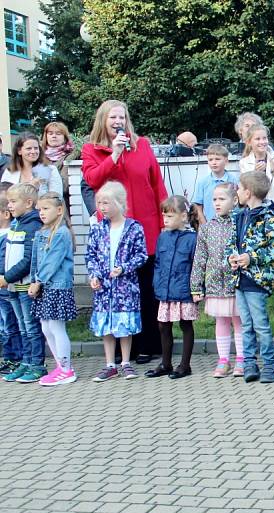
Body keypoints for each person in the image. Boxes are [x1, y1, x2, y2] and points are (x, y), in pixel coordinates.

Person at [82, 99, 168, 363]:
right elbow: (93, 180)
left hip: (146, 227)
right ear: (103, 121)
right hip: (114, 234)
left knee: (144, 289)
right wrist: (115, 155)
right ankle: (120, 350)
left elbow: (157, 185)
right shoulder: (91, 150)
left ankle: (147, 345)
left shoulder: (142, 145)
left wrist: (164, 221)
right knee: (117, 291)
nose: (118, 122)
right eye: (112, 118)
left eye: (121, 117)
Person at [86, 181, 148, 382]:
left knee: (124, 324)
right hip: (104, 288)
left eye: (106, 203)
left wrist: (124, 268)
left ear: (119, 203)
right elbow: (91, 255)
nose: (102, 207)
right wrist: (94, 275)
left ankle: (126, 362)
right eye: (100, 203)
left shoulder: (133, 227)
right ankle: (109, 364)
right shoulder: (97, 229)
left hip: (125, 287)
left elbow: (142, 255)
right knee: (107, 325)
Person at [227, 171, 274, 384]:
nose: (237, 193)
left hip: (257, 280)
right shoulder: (239, 216)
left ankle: (270, 365)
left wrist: (252, 258)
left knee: (260, 324)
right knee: (246, 324)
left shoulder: (268, 217)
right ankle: (250, 363)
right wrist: (231, 257)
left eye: (239, 189)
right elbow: (232, 243)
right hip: (240, 279)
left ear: (248, 192)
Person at [191, 183, 245, 378]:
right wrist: (196, 286)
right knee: (221, 321)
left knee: (238, 321)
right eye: (214, 199)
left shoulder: (240, 223)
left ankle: (242, 359)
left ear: (234, 201)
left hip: (236, 282)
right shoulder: (207, 229)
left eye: (222, 199)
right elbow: (200, 258)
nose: (217, 203)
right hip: (215, 283)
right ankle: (223, 360)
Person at [145, 196, 198, 380]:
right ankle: (166, 363)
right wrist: (156, 283)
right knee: (163, 326)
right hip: (165, 290)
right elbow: (158, 263)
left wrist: (195, 288)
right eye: (164, 216)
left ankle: (185, 365)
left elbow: (195, 266)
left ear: (183, 216)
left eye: (169, 216)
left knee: (185, 324)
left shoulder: (192, 239)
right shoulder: (163, 237)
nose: (165, 220)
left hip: (183, 290)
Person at [28, 192, 77, 386]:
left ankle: (66, 369)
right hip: (43, 287)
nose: (41, 213)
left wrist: (38, 281)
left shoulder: (62, 234)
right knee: (45, 326)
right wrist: (34, 281)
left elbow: (51, 262)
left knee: (57, 327)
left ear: (59, 210)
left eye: (46, 208)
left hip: (57, 287)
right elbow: (35, 261)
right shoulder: (41, 233)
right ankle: (59, 366)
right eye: (39, 209)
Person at [0, 183, 45, 383]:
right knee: (22, 327)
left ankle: (37, 365)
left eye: (13, 201)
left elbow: (28, 260)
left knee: (31, 327)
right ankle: (25, 362)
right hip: (13, 287)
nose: (9, 205)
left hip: (25, 286)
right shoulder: (16, 224)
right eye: (8, 201)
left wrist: (7, 277)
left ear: (28, 203)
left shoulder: (32, 225)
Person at [0, 191, 24, 375]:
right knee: (4, 324)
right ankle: (8, 356)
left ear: (5, 214)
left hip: (5, 285)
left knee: (11, 323)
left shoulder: (9, 235)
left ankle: (15, 357)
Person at [239, 125, 274, 207]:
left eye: (264, 138)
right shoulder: (244, 162)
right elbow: (246, 190)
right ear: (249, 142)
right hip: (254, 208)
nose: (262, 142)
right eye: (257, 139)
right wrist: (255, 173)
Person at [192, 144, 238, 225]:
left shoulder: (234, 180)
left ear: (226, 161)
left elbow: (238, 204)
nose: (214, 162)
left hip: (231, 224)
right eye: (210, 160)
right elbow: (198, 206)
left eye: (217, 159)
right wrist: (204, 224)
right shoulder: (203, 182)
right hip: (210, 224)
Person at [40, 122, 75, 212]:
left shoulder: (73, 156)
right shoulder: (38, 155)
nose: (54, 136)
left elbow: (66, 185)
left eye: (58, 133)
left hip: (66, 205)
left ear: (65, 136)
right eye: (50, 133)